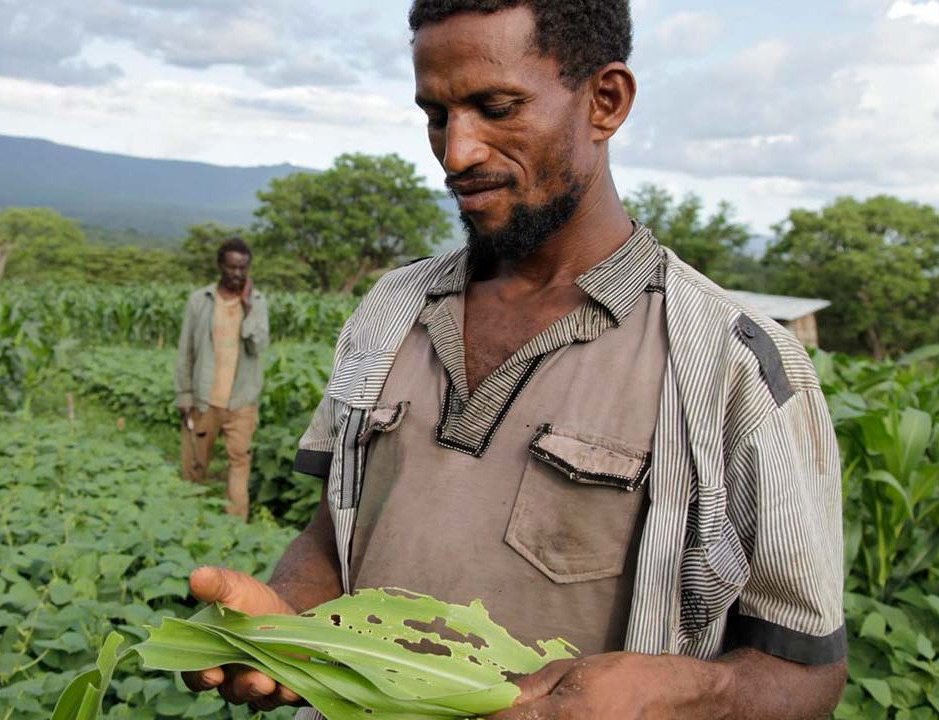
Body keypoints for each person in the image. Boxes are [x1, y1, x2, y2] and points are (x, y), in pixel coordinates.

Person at [182, 2, 847, 718]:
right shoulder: (389, 310)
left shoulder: (734, 363)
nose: (456, 152)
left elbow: (805, 671)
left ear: (605, 101)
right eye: (436, 115)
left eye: (496, 108)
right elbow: (334, 533)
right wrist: (285, 619)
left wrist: (687, 694)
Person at [174, 237, 270, 520]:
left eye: (243, 268)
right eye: (231, 267)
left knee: (239, 462)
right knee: (195, 464)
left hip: (241, 401)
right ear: (220, 266)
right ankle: (190, 518)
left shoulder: (258, 302)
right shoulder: (200, 300)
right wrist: (184, 395)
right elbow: (186, 351)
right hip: (204, 399)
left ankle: (235, 525)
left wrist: (248, 308)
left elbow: (258, 346)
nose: (237, 274)